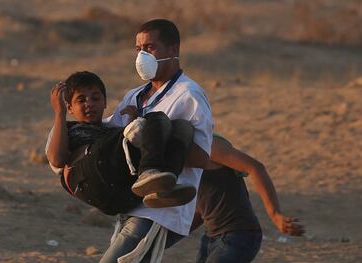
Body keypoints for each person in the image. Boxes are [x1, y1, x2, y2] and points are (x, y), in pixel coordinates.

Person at [100, 19, 213, 262]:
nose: (142, 55)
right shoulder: (135, 96)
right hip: (131, 202)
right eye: (138, 49)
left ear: (173, 50)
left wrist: (151, 141)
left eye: (149, 48)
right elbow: (112, 135)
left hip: (161, 210)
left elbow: (202, 156)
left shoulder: (188, 95)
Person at [45, 71, 198, 215]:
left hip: (124, 193)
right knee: (156, 119)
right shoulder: (68, 129)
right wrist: (60, 113)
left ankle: (163, 187)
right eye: (81, 100)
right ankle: (149, 170)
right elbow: (57, 159)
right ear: (70, 108)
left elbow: (121, 155)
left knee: (182, 127)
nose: (89, 104)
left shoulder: (110, 131)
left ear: (104, 103)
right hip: (91, 179)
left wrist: (132, 122)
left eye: (95, 98)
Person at [191, 134, 305, 263]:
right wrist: (167, 236)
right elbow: (203, 209)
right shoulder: (179, 159)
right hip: (211, 238)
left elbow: (255, 168)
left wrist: (275, 215)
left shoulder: (208, 146)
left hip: (238, 235)